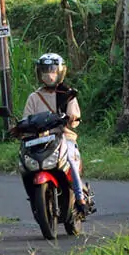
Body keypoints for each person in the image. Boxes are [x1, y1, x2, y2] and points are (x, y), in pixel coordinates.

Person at [21, 53, 94, 215]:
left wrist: (72, 117)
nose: (49, 74)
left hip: (63, 137)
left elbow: (74, 117)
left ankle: (80, 198)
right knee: (24, 163)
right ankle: (33, 195)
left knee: (70, 160)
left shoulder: (67, 94)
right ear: (39, 73)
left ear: (60, 72)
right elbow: (27, 118)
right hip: (40, 140)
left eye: (53, 70)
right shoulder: (34, 97)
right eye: (45, 70)